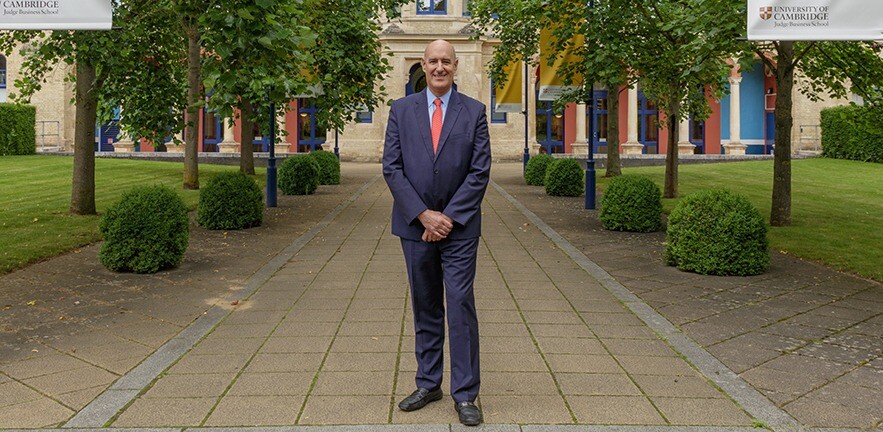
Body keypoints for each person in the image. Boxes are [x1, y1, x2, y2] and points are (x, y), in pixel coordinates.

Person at [382, 39, 491, 427]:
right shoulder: (401, 110)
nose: (440, 67)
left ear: (456, 65)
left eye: (446, 61)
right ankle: (429, 384)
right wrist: (424, 216)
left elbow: (479, 172)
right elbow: (392, 168)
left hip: (459, 231)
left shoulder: (475, 112)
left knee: (460, 306)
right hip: (415, 228)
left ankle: (466, 394)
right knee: (426, 306)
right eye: (433, 61)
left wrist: (447, 219)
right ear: (422, 65)